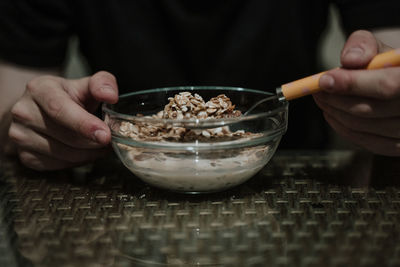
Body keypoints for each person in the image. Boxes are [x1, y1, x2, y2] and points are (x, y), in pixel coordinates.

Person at [0, 1, 399, 171]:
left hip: (292, 175)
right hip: (118, 177)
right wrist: (34, 123)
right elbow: (13, 99)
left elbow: (390, 48)